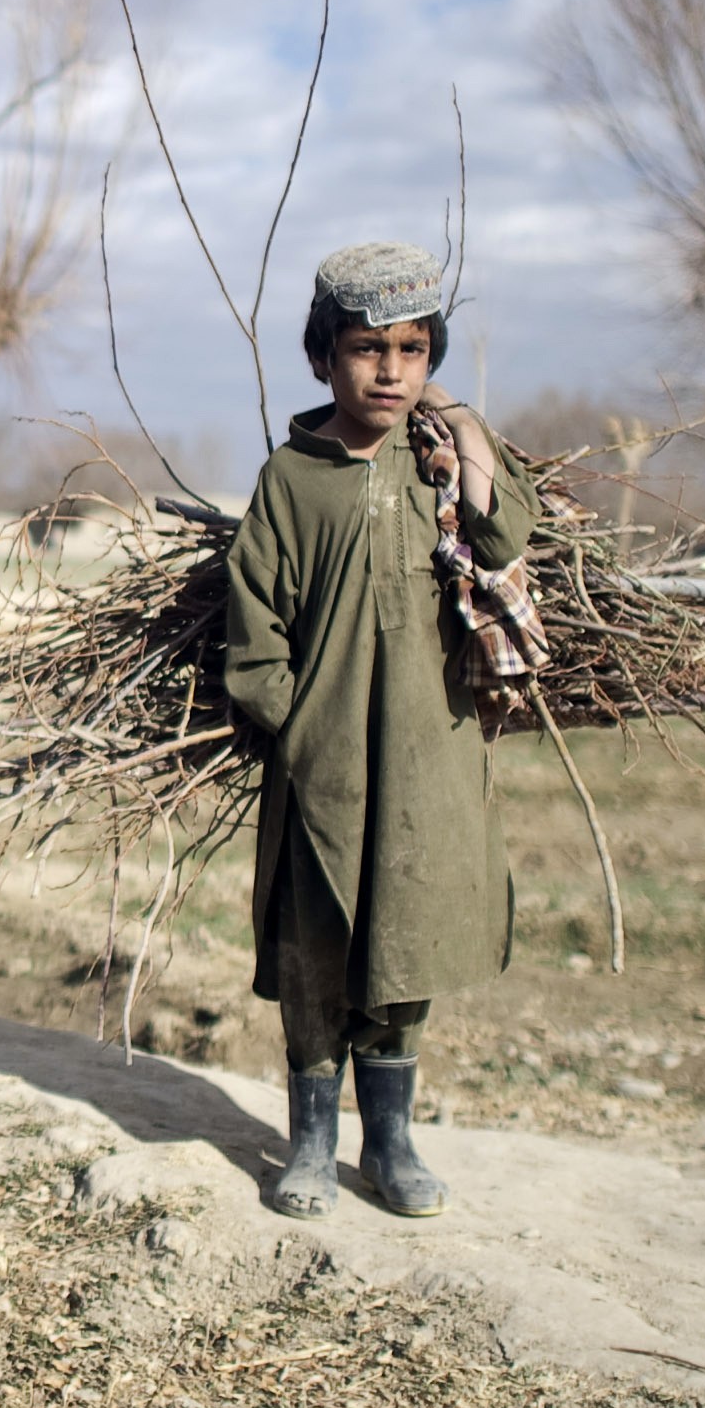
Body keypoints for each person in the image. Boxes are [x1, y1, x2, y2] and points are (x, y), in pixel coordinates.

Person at [219, 240, 537, 1217]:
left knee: (404, 940)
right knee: (319, 949)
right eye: (365, 348)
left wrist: (464, 424)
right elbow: (253, 629)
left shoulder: (436, 462)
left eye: (410, 349)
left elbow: (503, 536)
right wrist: (292, 727)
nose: (389, 370)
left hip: (425, 756)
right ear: (322, 356)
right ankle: (310, 1144)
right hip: (318, 768)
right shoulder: (289, 478)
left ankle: (390, 1144)